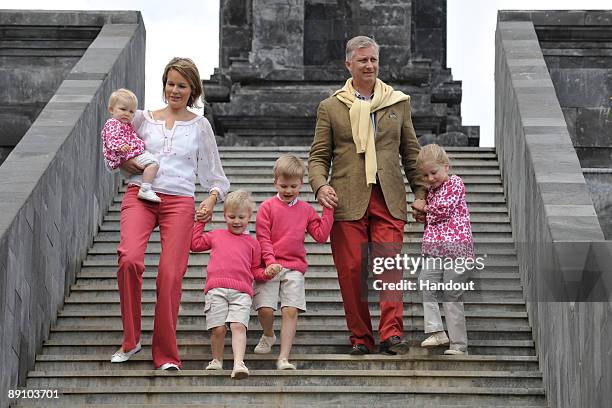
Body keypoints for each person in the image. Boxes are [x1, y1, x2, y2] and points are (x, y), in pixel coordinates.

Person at [308, 36, 427, 355]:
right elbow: (319, 156)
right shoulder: (331, 107)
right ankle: (360, 337)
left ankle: (392, 334)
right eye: (363, 60)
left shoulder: (397, 102)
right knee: (350, 273)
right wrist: (320, 186)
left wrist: (420, 191)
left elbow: (411, 151)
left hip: (389, 197)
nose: (370, 65)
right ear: (349, 64)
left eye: (374, 59)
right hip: (346, 200)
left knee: (390, 267)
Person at [109, 57, 230, 371]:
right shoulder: (141, 118)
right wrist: (134, 166)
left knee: (170, 275)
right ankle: (131, 340)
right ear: (163, 84)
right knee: (130, 259)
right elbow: (116, 149)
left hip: (180, 202)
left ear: (192, 90)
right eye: (170, 83)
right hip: (140, 194)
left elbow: (216, 176)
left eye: (182, 85)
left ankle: (164, 354)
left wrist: (212, 200)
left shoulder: (200, 125)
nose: (174, 90)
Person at [252, 154, 334, 369]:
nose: (288, 190)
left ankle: (283, 358)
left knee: (290, 310)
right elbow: (263, 238)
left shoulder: (306, 209)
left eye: (293, 186)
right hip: (269, 266)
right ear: (275, 182)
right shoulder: (267, 207)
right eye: (284, 185)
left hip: (294, 267)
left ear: (301, 184)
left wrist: (328, 209)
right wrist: (269, 263)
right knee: (265, 310)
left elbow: (320, 235)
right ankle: (268, 334)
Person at [191, 190, 275, 379]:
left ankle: (239, 363)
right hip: (216, 289)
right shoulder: (216, 235)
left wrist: (266, 273)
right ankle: (217, 360)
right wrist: (201, 221)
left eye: (241, 217)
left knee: (238, 326)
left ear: (249, 217)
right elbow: (194, 244)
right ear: (224, 215)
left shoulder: (253, 244)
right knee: (219, 328)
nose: (236, 221)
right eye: (232, 217)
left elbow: (254, 270)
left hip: (242, 292)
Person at [413, 144, 474, 355]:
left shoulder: (455, 183)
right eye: (425, 175)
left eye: (434, 172)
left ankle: (459, 345)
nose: (430, 178)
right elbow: (433, 216)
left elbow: (443, 210)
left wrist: (424, 210)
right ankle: (436, 330)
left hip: (457, 249)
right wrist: (423, 213)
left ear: (446, 167)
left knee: (451, 294)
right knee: (425, 282)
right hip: (435, 249)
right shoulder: (430, 192)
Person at [101, 88, 161, 202]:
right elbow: (110, 139)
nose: (127, 114)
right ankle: (145, 189)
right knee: (154, 163)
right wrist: (120, 146)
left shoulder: (126, 124)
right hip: (126, 155)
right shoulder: (113, 123)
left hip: (129, 155)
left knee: (150, 164)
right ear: (111, 109)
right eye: (123, 109)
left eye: (131, 112)